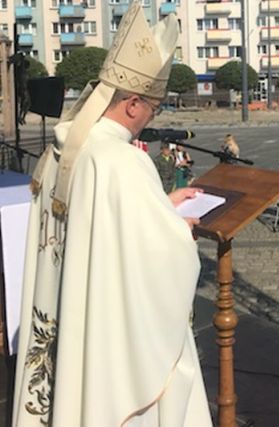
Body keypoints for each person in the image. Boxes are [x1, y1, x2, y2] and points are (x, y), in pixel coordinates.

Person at [13, 3, 213, 426]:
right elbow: (157, 258)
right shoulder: (122, 160)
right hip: (107, 340)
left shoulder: (62, 148)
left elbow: (103, 221)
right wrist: (180, 229)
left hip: (64, 311)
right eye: (153, 108)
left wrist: (164, 204)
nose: (150, 118)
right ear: (133, 103)